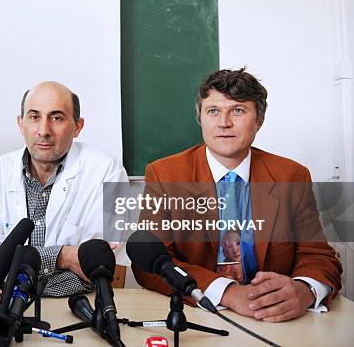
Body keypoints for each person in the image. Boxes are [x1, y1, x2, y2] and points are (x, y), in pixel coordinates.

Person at [132, 68, 342, 322]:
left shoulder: (292, 176)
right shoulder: (165, 175)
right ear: (200, 118)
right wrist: (229, 293)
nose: (224, 123)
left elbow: (318, 256)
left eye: (238, 110)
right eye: (213, 111)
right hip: (195, 314)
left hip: (274, 320)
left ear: (259, 121)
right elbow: (151, 265)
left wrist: (305, 290)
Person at [0, 81, 129, 296]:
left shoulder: (108, 171)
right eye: (34, 117)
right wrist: (63, 256)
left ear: (77, 127)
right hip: (3, 308)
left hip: (77, 304)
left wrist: (15, 273)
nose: (44, 131)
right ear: (20, 123)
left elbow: (95, 264)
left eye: (56, 118)